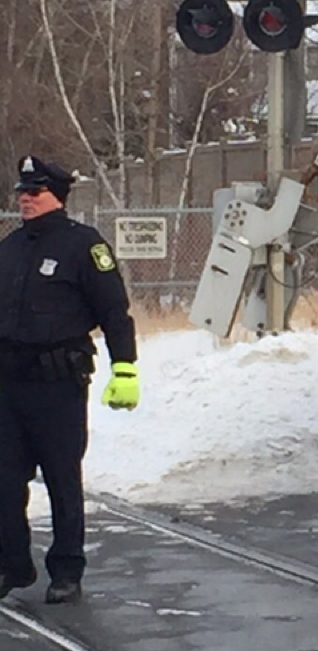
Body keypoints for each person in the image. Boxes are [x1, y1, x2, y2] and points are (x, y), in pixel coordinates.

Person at [0, 156, 139, 605]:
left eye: (34, 192)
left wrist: (126, 367)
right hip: (9, 383)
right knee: (3, 480)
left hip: (58, 384)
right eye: (21, 192)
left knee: (62, 480)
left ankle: (66, 570)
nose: (24, 199)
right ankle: (13, 564)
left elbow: (114, 313)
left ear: (56, 196)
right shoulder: (10, 247)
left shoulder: (84, 246)